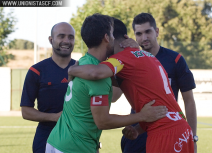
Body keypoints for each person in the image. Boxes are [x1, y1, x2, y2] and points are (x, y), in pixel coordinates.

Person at [67, 17, 195, 153]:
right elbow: (155, 99)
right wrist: (138, 129)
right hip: (181, 129)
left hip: (164, 134)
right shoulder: (147, 56)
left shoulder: (122, 58)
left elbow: (96, 73)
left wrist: (71, 69)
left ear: (111, 38)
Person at [46, 14, 168, 153]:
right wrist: (142, 116)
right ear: (106, 37)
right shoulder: (98, 74)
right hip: (74, 147)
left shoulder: (84, 62)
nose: (115, 38)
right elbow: (102, 121)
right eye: (112, 34)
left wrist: (133, 50)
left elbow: (120, 86)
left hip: (56, 140)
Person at [119, 13, 197, 153]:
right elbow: (114, 97)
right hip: (138, 129)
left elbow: (189, 100)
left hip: (167, 130)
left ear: (157, 31)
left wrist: (193, 137)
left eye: (148, 31)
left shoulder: (175, 59)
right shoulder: (129, 61)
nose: (144, 37)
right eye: (139, 33)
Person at [20, 22, 76, 153]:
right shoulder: (37, 71)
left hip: (77, 136)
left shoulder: (82, 69)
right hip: (46, 136)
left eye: (71, 37)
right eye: (61, 36)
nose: (66, 41)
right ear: (51, 40)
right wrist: (55, 117)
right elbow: (26, 111)